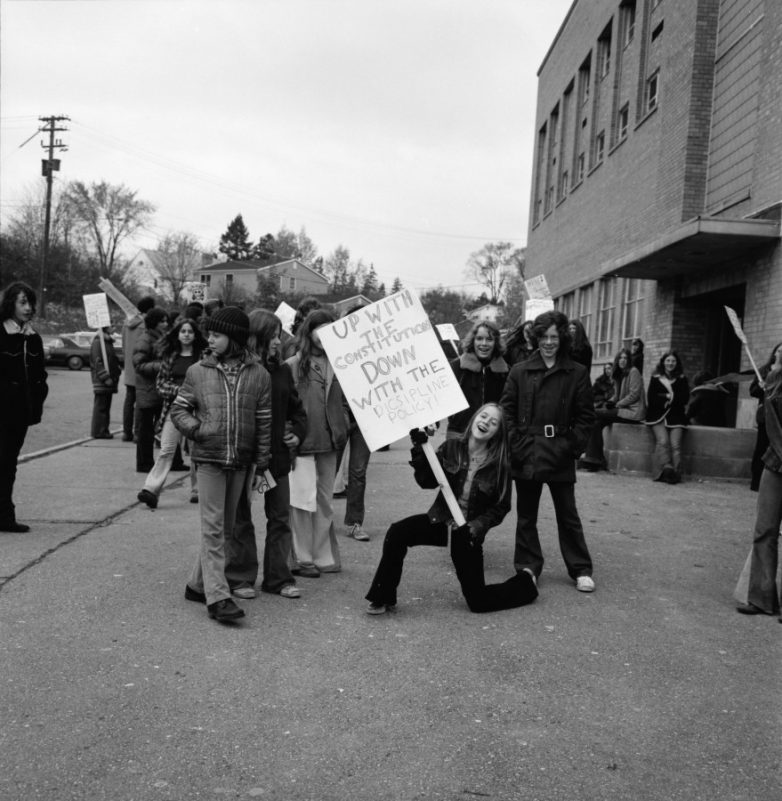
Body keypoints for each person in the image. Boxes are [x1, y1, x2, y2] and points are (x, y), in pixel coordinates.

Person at [365, 404, 539, 615]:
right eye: (483, 416)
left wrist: (476, 527)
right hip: (441, 520)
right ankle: (382, 597)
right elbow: (426, 481)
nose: (485, 422)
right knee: (398, 532)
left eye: (493, 423)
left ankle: (526, 582)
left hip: (468, 532)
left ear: (497, 432)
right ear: (474, 418)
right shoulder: (451, 448)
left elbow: (502, 506)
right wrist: (419, 448)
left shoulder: (500, 464)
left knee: (479, 602)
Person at [170, 306, 272, 623]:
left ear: (235, 338)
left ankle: (197, 585)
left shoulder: (259, 375)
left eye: (216, 334)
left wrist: (262, 463)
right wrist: (199, 430)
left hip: (240, 462)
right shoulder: (198, 371)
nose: (210, 339)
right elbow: (179, 411)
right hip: (210, 460)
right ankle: (218, 597)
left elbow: (264, 422)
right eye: (209, 334)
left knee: (226, 529)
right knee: (213, 529)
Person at [500, 310, 596, 592]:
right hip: (526, 452)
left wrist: (570, 448)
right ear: (536, 338)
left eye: (554, 336)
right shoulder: (519, 371)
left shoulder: (577, 372)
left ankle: (580, 569)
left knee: (568, 514)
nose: (549, 342)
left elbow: (586, 417)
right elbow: (506, 410)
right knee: (526, 515)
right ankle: (528, 567)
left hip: (561, 453)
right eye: (544, 336)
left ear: (563, 338)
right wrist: (516, 444)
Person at [224, 309, 307, 600]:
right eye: (272, 335)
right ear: (256, 337)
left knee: (280, 517)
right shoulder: (238, 370)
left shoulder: (282, 370)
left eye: (279, 335)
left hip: (277, 460)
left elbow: (297, 410)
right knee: (240, 519)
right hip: (244, 459)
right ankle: (240, 577)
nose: (278, 341)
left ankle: (278, 578)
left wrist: (297, 431)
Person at [285, 309, 349, 577]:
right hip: (301, 441)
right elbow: (285, 404)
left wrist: (345, 422)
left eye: (329, 329)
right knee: (301, 501)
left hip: (331, 440)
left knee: (324, 501)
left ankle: (323, 555)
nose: (323, 336)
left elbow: (348, 402)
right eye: (318, 329)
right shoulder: (293, 364)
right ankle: (302, 556)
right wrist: (288, 431)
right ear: (308, 331)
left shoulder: (342, 363)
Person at [137, 318, 207, 508]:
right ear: (177, 334)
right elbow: (161, 385)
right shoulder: (170, 356)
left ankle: (198, 490)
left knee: (197, 452)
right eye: (183, 331)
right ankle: (151, 489)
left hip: (198, 410)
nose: (186, 334)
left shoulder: (203, 357)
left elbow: (207, 383)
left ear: (195, 335)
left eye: (190, 331)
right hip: (174, 408)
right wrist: (181, 391)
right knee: (166, 449)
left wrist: (193, 393)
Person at [734, 344, 782, 619]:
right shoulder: (773, 382)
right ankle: (762, 598)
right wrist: (768, 394)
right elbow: (764, 421)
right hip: (774, 462)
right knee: (765, 530)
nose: (777, 358)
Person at [0, 282, 48, 532]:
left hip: (21, 413)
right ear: (10, 304)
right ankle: (5, 516)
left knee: (8, 463)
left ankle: (4, 516)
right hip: (3, 411)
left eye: (30, 302)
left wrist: (38, 399)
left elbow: (40, 375)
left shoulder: (33, 338)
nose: (28, 308)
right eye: (22, 302)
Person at [334, 304, 372, 542]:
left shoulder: (377, 349)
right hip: (339, 414)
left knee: (358, 472)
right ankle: (317, 519)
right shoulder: (334, 349)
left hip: (366, 415)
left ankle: (354, 522)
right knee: (327, 469)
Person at [580, 348, 645, 471]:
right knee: (596, 424)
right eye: (620, 358)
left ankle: (592, 458)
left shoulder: (633, 371)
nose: (623, 360)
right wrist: (610, 402)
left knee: (593, 413)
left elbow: (634, 395)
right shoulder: (619, 374)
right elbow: (617, 395)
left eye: (625, 358)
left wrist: (617, 404)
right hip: (622, 410)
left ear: (629, 360)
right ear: (617, 360)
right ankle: (595, 460)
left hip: (632, 413)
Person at [446, 321, 509, 439]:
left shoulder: (506, 373)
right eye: (479, 338)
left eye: (489, 339)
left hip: (492, 437)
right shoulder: (456, 367)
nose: (484, 343)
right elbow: (441, 400)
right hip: (458, 435)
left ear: (496, 343)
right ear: (472, 341)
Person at [644, 350, 690, 484]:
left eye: (673, 361)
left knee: (675, 445)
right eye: (668, 360)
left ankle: (676, 474)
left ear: (677, 363)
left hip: (677, 417)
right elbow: (651, 398)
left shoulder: (682, 379)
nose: (670, 363)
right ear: (663, 362)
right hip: (657, 415)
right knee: (663, 441)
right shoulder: (656, 377)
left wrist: (667, 397)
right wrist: (669, 399)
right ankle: (666, 470)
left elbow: (685, 398)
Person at [132, 307, 168, 472]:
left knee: (160, 428)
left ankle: (153, 462)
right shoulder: (145, 339)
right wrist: (161, 367)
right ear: (154, 322)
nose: (165, 324)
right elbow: (138, 364)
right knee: (145, 430)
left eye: (166, 320)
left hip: (157, 390)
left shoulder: (160, 338)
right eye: (162, 321)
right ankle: (144, 463)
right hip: (147, 390)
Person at [121, 296, 155, 441]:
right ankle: (137, 432)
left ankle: (126, 432)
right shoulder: (145, 325)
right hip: (141, 366)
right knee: (141, 402)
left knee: (129, 400)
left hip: (129, 366)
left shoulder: (126, 324)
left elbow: (123, 346)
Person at [749, 343, 782, 492]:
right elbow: (753, 390)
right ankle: (756, 482)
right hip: (765, 416)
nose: (781, 354)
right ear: (774, 353)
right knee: (761, 448)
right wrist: (761, 387)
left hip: (778, 416)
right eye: (779, 351)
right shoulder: (764, 370)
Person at [89, 326, 122, 439]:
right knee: (101, 407)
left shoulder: (107, 342)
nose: (114, 328)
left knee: (105, 406)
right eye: (112, 326)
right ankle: (98, 431)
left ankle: (103, 429)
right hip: (102, 380)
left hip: (109, 379)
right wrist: (105, 377)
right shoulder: (99, 342)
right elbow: (97, 362)